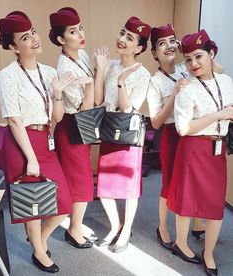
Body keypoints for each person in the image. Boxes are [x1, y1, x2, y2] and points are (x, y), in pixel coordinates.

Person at [0, 11, 76, 273]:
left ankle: (39, 240)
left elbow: (57, 117)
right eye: (24, 37)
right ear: (12, 47)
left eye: (33, 33)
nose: (33, 40)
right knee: (33, 202)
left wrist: (57, 95)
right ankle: (40, 253)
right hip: (21, 144)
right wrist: (30, 157)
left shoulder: (49, 71)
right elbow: (13, 120)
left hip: (46, 138)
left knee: (63, 203)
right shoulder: (8, 75)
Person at [167, 30, 233, 275]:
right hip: (193, 149)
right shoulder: (187, 88)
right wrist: (218, 115)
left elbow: (221, 74)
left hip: (217, 149)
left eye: (199, 56)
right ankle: (180, 243)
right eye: (188, 59)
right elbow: (183, 129)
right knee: (188, 201)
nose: (193, 63)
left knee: (215, 204)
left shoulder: (225, 81)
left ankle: (208, 253)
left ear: (211, 54)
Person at [147, 24, 207, 250]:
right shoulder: (155, 81)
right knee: (169, 183)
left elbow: (217, 68)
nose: (169, 46)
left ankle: (197, 223)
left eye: (172, 40)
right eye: (162, 44)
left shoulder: (187, 66)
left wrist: (186, 47)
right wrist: (173, 95)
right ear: (154, 53)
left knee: (194, 181)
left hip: (193, 132)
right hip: (171, 135)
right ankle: (162, 227)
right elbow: (155, 121)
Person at [94, 16, 151, 253]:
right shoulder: (112, 65)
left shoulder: (143, 73)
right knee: (105, 186)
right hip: (108, 130)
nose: (122, 39)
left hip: (128, 134)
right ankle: (114, 226)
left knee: (127, 187)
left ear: (138, 48)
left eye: (129, 37)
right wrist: (101, 70)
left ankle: (126, 230)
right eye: (122, 33)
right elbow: (98, 101)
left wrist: (121, 82)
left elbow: (127, 109)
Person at [49, 7, 97, 249]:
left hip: (81, 126)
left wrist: (98, 72)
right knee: (79, 180)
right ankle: (73, 229)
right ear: (60, 39)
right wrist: (90, 86)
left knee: (82, 177)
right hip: (72, 126)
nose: (80, 34)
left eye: (80, 29)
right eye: (72, 31)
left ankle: (75, 226)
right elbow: (86, 107)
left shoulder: (83, 55)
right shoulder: (64, 68)